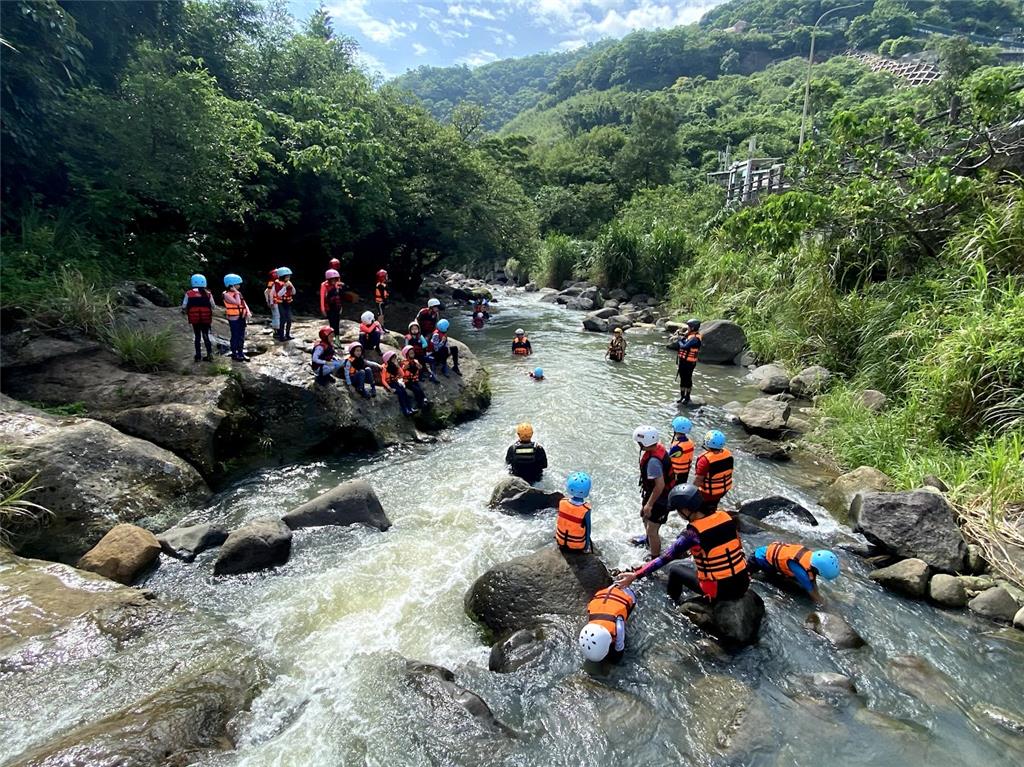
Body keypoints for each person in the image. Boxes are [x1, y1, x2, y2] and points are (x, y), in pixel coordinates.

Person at [615, 484, 749, 604]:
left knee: (675, 570)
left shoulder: (692, 534)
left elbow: (665, 558)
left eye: (678, 510)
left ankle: (673, 604)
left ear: (686, 510)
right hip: (743, 583)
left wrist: (635, 575)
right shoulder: (725, 516)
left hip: (721, 591)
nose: (679, 513)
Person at [631, 425, 674, 558]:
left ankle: (655, 557)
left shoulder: (653, 462)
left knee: (652, 529)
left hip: (661, 498)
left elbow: (659, 486)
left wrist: (649, 504)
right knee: (645, 517)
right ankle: (648, 539)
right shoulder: (657, 448)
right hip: (654, 494)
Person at [748, 542, 840, 604]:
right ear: (817, 569)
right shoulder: (801, 572)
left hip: (768, 556)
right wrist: (823, 604)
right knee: (749, 577)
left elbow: (813, 581)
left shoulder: (810, 558)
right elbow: (812, 593)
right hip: (758, 559)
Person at [578, 585, 636, 663]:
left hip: (626, 595)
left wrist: (615, 660)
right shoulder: (590, 624)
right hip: (605, 594)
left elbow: (619, 649)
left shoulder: (618, 627)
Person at [694, 430, 733, 512]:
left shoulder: (704, 460)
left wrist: (692, 491)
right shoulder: (728, 454)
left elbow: (698, 479)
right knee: (712, 506)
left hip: (708, 493)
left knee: (701, 510)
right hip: (723, 490)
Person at [555, 471, 592, 552]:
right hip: (576, 546)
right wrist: (586, 547)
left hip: (560, 541)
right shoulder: (586, 509)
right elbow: (588, 530)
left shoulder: (562, 502)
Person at [182, 274, 215, 362]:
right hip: (206, 318)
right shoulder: (208, 294)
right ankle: (209, 355)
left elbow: (184, 306)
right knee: (206, 335)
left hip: (195, 318)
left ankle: (198, 356)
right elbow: (213, 306)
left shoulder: (189, 293)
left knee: (197, 336)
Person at [222, 273, 251, 362]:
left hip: (241, 317)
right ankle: (234, 354)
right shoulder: (226, 294)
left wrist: (248, 312)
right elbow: (237, 302)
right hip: (233, 318)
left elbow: (243, 303)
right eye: (237, 284)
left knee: (241, 336)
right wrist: (236, 293)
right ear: (231, 285)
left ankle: (241, 353)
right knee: (235, 335)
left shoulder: (238, 293)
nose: (239, 286)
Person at [381, 350, 417, 416]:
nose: (395, 360)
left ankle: (410, 408)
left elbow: (402, 375)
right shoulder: (385, 368)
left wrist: (398, 366)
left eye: (395, 358)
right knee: (400, 392)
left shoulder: (395, 367)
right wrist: (389, 388)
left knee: (404, 391)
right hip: (390, 384)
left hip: (395, 382)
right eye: (393, 359)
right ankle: (405, 410)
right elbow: (383, 380)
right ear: (388, 360)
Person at [675, 318, 702, 404]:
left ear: (693, 328)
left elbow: (684, 347)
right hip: (683, 361)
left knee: (688, 379)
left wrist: (679, 340)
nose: (688, 328)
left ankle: (687, 397)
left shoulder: (695, 338)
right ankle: (682, 396)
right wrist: (681, 337)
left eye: (689, 327)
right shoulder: (690, 336)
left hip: (689, 363)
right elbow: (684, 342)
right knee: (682, 379)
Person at [667, 416, 695, 485]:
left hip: (676, 473)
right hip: (685, 472)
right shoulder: (690, 442)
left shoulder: (677, 447)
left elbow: (667, 457)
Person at [400, 345, 429, 410]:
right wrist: (404, 368)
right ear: (407, 354)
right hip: (407, 381)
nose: (412, 354)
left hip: (414, 380)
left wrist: (420, 367)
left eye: (413, 353)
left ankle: (424, 399)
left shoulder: (415, 361)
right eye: (410, 353)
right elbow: (402, 369)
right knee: (416, 390)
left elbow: (420, 367)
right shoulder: (404, 362)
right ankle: (420, 403)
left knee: (419, 389)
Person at [274, 266, 296, 341]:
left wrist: (291, 286)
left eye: (289, 276)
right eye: (287, 276)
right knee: (282, 319)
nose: (288, 278)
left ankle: (287, 334)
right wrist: (284, 287)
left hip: (287, 303)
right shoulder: (277, 283)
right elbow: (279, 294)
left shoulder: (289, 283)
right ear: (282, 276)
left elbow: (294, 292)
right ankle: (281, 336)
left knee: (289, 319)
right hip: (281, 303)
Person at [321, 269, 344, 337]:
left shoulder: (337, 285)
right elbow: (322, 298)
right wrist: (323, 309)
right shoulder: (324, 285)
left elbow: (339, 297)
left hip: (336, 307)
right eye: (332, 279)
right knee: (332, 324)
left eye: (335, 279)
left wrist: (341, 307)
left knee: (337, 324)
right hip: (329, 308)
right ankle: (331, 339)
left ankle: (337, 340)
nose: (334, 281)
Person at [264, 269, 280, 337]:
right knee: (277, 316)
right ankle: (277, 331)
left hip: (273, 302)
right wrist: (270, 302)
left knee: (275, 316)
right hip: (275, 302)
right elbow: (270, 293)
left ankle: (276, 330)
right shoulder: (274, 283)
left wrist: (267, 301)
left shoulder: (270, 283)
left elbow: (265, 292)